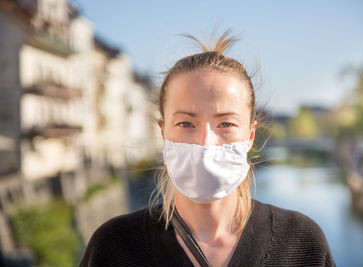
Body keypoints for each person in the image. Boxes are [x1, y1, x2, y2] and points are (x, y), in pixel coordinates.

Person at [80, 31, 336, 267]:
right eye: (186, 123)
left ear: (250, 135)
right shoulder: (114, 247)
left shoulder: (302, 245)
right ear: (163, 133)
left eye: (225, 123)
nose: (205, 142)